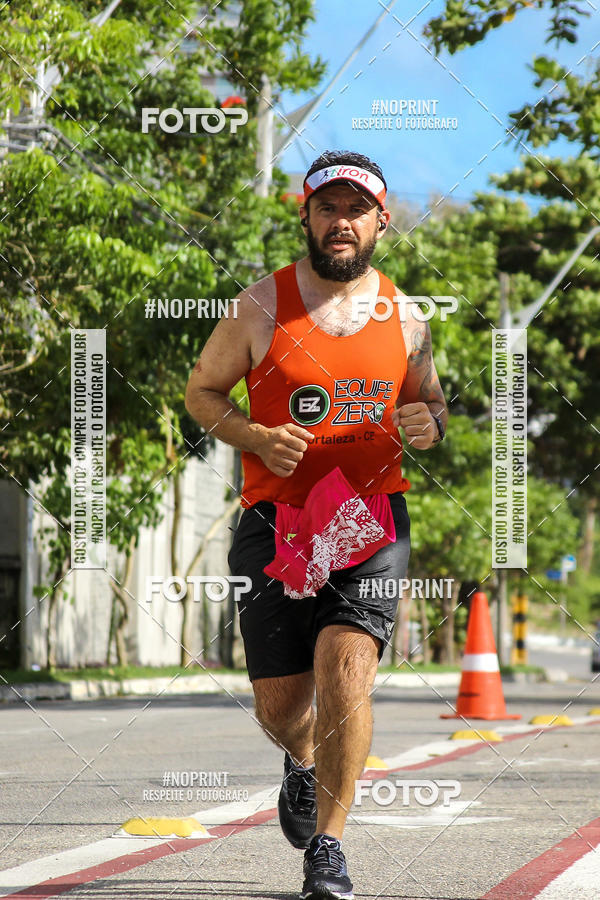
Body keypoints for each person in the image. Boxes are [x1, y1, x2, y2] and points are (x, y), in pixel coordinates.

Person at [185, 149, 448, 900]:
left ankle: (328, 847)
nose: (341, 223)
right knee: (281, 706)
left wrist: (426, 424)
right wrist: (256, 437)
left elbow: (433, 407)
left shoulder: (407, 316)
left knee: (347, 666)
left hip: (370, 522)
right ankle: (300, 761)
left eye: (355, 210)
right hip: (278, 521)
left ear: (380, 223)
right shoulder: (258, 307)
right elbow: (202, 393)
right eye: (327, 208)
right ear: (305, 216)